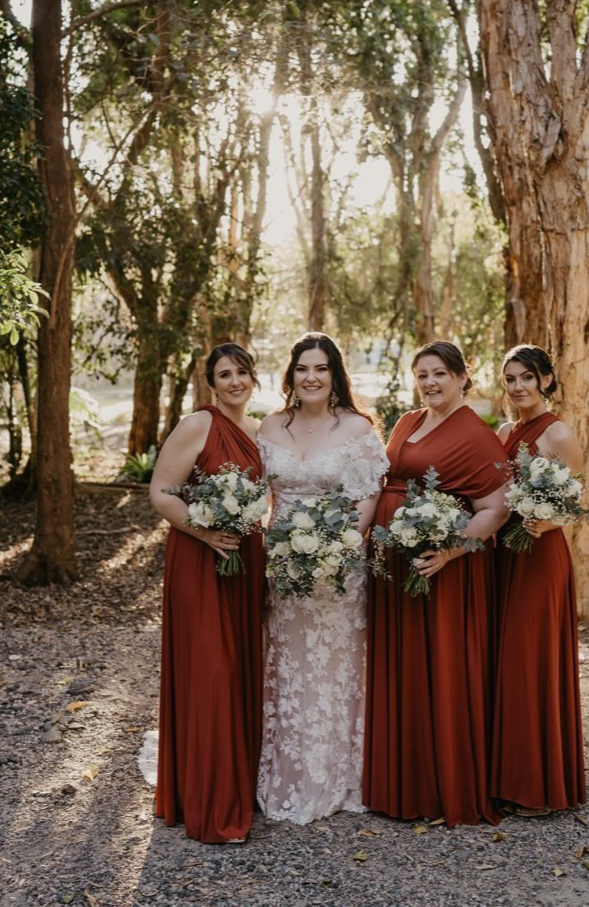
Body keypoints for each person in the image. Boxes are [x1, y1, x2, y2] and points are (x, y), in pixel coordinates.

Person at [364, 341, 510, 827]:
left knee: (438, 669)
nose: (430, 383)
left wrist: (448, 551)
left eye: (440, 374)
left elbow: (495, 509)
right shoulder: (407, 421)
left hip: (442, 574)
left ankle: (435, 784)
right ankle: (397, 781)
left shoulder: (476, 435)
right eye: (422, 374)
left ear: (463, 376)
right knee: (401, 665)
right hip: (395, 565)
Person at [257, 332, 388, 824]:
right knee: (286, 664)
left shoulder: (356, 429)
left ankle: (339, 774)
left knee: (336, 668)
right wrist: (284, 550)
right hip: (281, 566)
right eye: (302, 369)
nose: (310, 378)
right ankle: (283, 770)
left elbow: (368, 499)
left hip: (340, 568)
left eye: (321, 369)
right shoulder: (271, 426)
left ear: (335, 376)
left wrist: (335, 547)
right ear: (290, 375)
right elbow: (258, 496)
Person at [150, 343, 265, 843]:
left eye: (242, 372)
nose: (235, 381)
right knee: (211, 671)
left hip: (245, 561)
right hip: (200, 559)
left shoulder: (261, 432)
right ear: (211, 383)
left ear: (253, 378)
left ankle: (237, 784)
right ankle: (212, 808)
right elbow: (159, 492)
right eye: (225, 374)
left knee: (240, 669)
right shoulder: (198, 424)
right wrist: (205, 532)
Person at [491, 343, 586, 816]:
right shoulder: (505, 430)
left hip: (539, 556)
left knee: (530, 662)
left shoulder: (559, 433)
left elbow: (577, 499)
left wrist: (552, 521)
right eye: (510, 379)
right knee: (506, 662)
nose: (519, 387)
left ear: (547, 379)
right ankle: (507, 775)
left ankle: (540, 787)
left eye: (527, 377)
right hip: (503, 555)